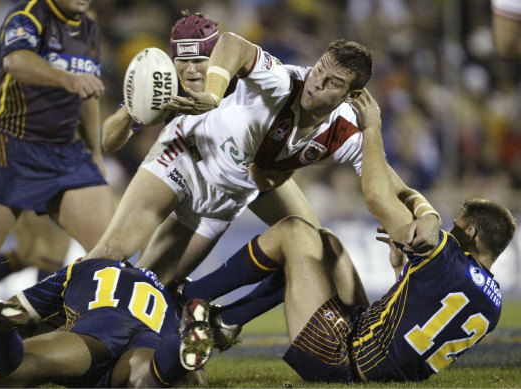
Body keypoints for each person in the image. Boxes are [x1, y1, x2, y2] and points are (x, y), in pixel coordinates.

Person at [184, 89, 516, 383]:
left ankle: (190, 298)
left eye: (457, 226)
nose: (450, 230)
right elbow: (420, 327)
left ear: (471, 231)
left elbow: (376, 196)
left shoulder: (443, 253)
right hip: (372, 357)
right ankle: (228, 320)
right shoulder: (494, 303)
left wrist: (371, 130)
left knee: (295, 232)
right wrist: (401, 271)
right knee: (326, 244)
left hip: (343, 360)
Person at [88, 30, 440, 294]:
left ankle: (354, 327)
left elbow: (393, 188)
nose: (317, 83)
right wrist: (212, 94)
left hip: (226, 196)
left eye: (333, 83)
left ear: (351, 96)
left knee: (151, 286)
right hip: (188, 156)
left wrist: (428, 215)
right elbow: (231, 44)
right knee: (113, 250)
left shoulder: (345, 132)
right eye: (319, 70)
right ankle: (39, 310)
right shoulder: (281, 80)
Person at [0, 0, 115, 333]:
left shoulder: (89, 28)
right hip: (12, 149)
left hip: (67, 154)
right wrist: (66, 78)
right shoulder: (28, 15)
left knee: (110, 250)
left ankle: (93, 337)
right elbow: (16, 61)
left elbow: (89, 94)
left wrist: (96, 150)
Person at [0, 259, 213, 387]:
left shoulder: (83, 268)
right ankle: (182, 340)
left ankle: (0, 332)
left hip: (100, 325)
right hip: (152, 340)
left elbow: (17, 309)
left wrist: (23, 325)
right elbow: (198, 380)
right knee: (147, 377)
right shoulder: (165, 295)